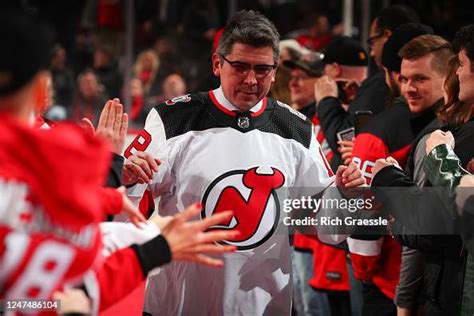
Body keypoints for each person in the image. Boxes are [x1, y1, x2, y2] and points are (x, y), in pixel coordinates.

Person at [124, 10, 365, 315]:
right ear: (217, 64)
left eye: (262, 69)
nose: (251, 80)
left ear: (276, 71)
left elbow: (324, 227)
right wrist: (130, 180)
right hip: (180, 304)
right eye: (240, 67)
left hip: (263, 306)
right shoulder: (172, 120)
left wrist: (343, 194)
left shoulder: (297, 129)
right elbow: (127, 217)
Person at [0, 9, 238, 313]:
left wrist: (105, 189)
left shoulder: (42, 157)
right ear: (36, 85)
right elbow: (52, 299)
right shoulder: (49, 163)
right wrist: (156, 247)